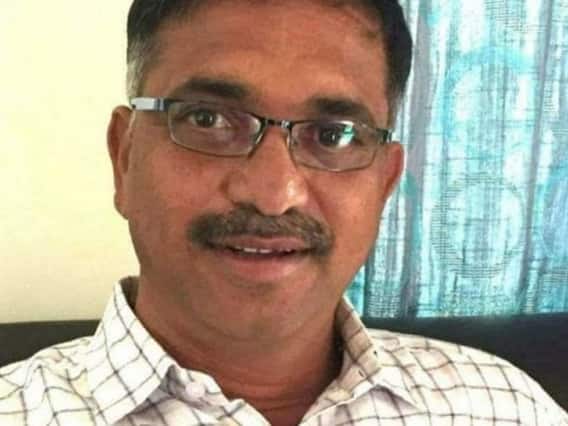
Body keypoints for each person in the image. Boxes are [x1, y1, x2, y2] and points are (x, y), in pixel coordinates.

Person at [1, 1, 566, 425]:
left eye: (334, 135)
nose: (274, 193)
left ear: (385, 183)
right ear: (124, 158)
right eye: (209, 120)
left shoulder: (507, 406)